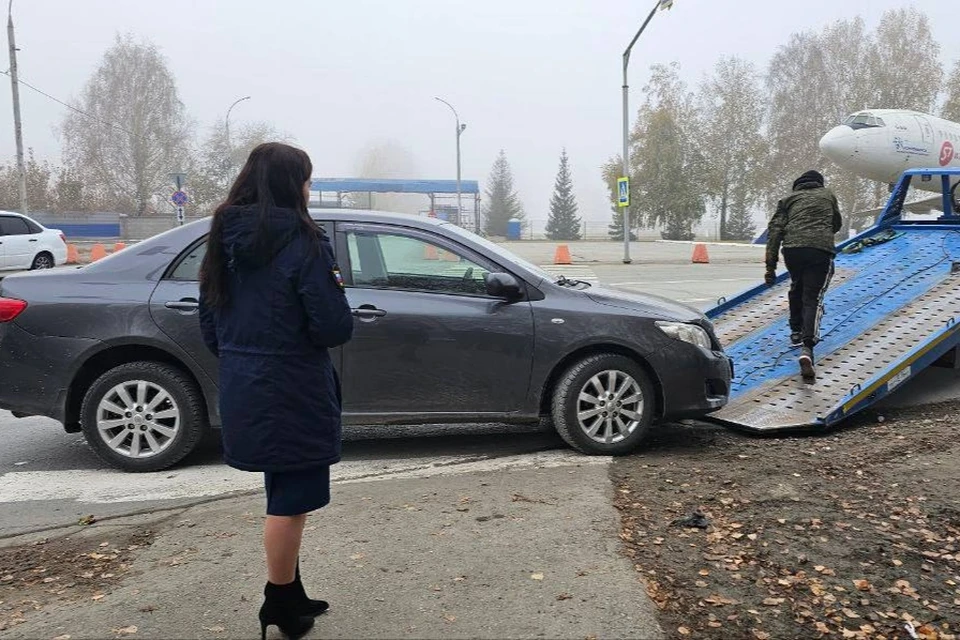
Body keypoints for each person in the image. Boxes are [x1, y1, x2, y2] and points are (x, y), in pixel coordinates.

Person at [199, 142, 353, 639]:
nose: (309, 189)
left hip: (246, 382)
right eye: (306, 180)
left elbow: (210, 323)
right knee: (291, 497)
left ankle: (291, 587)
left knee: (284, 490)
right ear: (291, 185)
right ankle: (279, 601)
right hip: (293, 385)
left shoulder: (224, 240)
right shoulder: (305, 242)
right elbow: (332, 325)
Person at [764, 169, 842, 382]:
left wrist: (770, 269)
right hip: (819, 251)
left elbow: (774, 233)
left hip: (793, 250)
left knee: (796, 286)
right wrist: (821, 231)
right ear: (819, 183)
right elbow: (837, 223)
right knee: (812, 298)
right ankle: (807, 348)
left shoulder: (788, 199)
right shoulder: (828, 195)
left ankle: (796, 331)